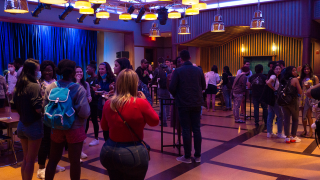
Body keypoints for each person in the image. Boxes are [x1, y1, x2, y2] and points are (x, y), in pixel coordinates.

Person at [100, 69, 159, 180]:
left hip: (109, 151)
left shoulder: (108, 103)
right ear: (135, 84)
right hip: (132, 152)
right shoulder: (140, 102)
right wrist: (145, 101)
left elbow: (104, 127)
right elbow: (155, 121)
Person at [44, 59, 90, 180]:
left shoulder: (50, 87)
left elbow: (45, 107)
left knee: (53, 159)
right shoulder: (78, 89)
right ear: (73, 72)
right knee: (75, 161)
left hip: (56, 126)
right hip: (74, 128)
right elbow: (85, 112)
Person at [169, 50, 206, 163]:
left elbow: (171, 87)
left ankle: (187, 156)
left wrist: (178, 95)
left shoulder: (178, 71)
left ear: (180, 59)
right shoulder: (198, 70)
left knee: (185, 129)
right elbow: (203, 86)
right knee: (196, 128)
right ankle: (198, 155)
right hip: (196, 102)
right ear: (190, 57)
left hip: (183, 103)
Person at [13, 59, 43, 180]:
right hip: (33, 125)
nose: (39, 72)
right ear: (32, 71)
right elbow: (38, 109)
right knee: (31, 160)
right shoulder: (34, 86)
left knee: (25, 158)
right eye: (38, 70)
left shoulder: (19, 85)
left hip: (21, 124)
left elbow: (14, 107)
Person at [37, 60, 65, 179]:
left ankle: (52, 164)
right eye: (45, 70)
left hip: (56, 117)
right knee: (44, 142)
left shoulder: (57, 82)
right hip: (44, 117)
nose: (48, 72)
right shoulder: (38, 83)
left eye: (50, 70)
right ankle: (41, 167)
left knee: (54, 142)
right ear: (41, 71)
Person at [92, 62, 115, 142]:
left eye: (103, 69)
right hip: (101, 107)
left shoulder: (113, 80)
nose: (101, 71)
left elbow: (115, 94)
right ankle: (107, 144)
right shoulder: (98, 80)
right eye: (100, 69)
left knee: (111, 127)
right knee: (104, 127)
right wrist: (96, 92)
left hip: (111, 107)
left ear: (107, 70)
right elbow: (96, 96)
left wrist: (108, 92)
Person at [281, 66, 303, 143]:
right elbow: (300, 92)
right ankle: (293, 136)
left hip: (284, 101)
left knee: (286, 119)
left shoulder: (283, 79)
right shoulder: (295, 79)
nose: (295, 72)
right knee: (295, 119)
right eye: (293, 70)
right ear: (290, 72)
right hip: (293, 101)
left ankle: (287, 137)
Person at [75, 66, 92, 160]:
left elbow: (89, 95)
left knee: (83, 131)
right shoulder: (73, 84)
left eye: (81, 72)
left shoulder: (86, 84)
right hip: (75, 111)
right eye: (77, 72)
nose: (79, 74)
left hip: (84, 110)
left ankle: (80, 151)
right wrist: (77, 82)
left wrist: (89, 98)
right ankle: (75, 153)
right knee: (76, 132)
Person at [265, 64, 286, 138]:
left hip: (271, 98)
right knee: (280, 115)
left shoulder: (276, 76)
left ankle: (269, 132)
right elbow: (268, 83)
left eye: (279, 69)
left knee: (270, 115)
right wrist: (275, 90)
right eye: (276, 69)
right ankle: (279, 133)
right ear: (273, 70)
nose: (278, 70)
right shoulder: (273, 76)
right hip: (274, 98)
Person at [298, 64, 319, 138]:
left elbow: (317, 88)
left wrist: (310, 87)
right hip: (302, 97)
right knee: (303, 115)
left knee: (309, 115)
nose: (306, 70)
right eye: (304, 69)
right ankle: (304, 130)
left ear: (310, 69)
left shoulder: (314, 77)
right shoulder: (302, 77)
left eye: (308, 69)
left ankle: (311, 131)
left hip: (310, 97)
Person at [151, 57, 171, 127]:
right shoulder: (168, 69)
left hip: (161, 89)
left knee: (162, 106)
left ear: (158, 62)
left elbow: (154, 78)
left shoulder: (157, 69)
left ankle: (164, 122)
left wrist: (150, 84)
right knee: (167, 103)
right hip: (168, 89)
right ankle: (168, 116)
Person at [85, 61, 100, 145]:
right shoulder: (88, 79)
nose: (86, 70)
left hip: (95, 102)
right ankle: (84, 137)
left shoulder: (97, 79)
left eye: (88, 69)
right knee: (86, 120)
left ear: (93, 69)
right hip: (88, 102)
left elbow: (97, 91)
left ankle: (96, 138)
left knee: (94, 120)